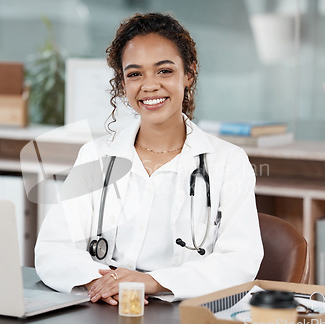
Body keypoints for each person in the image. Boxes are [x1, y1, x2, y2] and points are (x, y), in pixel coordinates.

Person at [34, 12, 263, 305]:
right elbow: (53, 247)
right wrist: (101, 282)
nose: (149, 85)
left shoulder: (228, 163)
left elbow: (239, 263)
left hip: (180, 312)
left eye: (164, 71)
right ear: (123, 83)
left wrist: (153, 282)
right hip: (106, 307)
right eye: (135, 74)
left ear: (189, 74)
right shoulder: (96, 156)